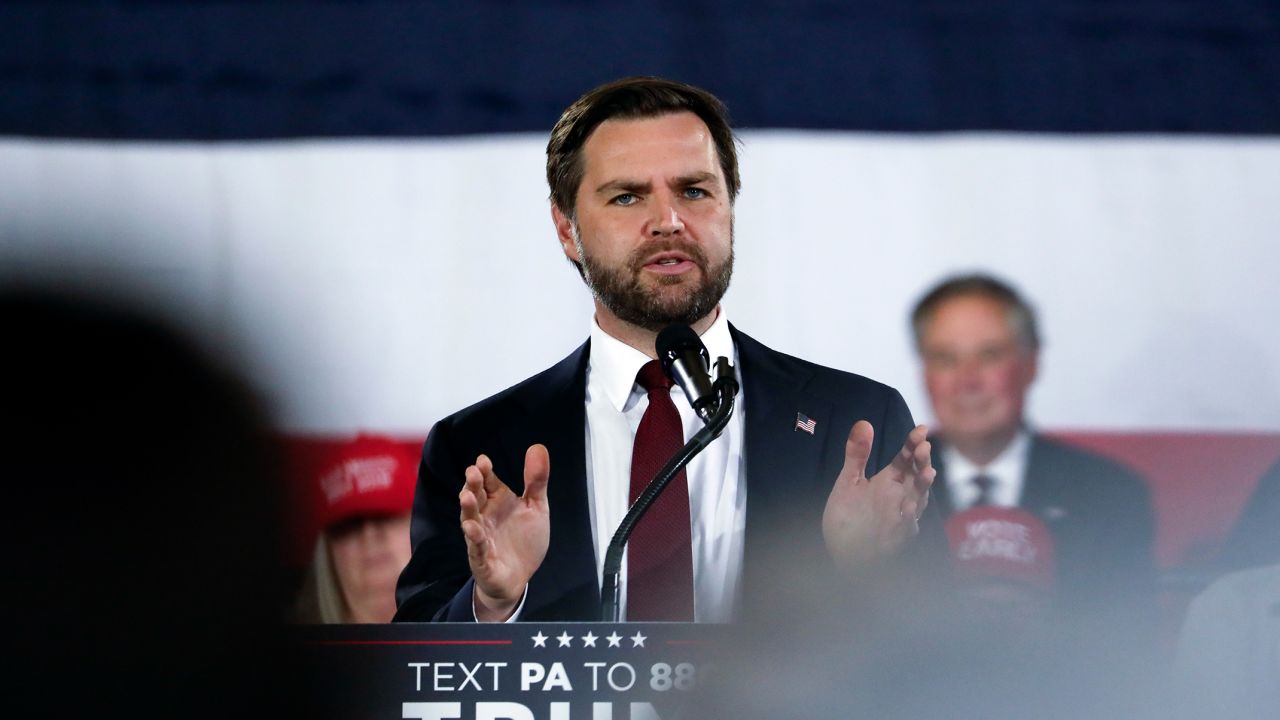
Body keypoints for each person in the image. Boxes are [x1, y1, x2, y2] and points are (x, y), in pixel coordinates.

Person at [394, 76, 937, 623]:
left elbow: (949, 668)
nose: (668, 222)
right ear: (566, 227)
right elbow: (414, 675)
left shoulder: (855, 424)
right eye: (627, 196)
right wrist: (493, 603)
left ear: (730, 207)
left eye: (694, 191)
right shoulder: (477, 447)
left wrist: (868, 574)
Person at [909, 273, 1155, 621]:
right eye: (947, 359)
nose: (968, 380)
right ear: (924, 373)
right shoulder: (890, 489)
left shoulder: (1111, 494)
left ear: (1030, 365)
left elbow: (1129, 652)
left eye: (990, 355)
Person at [294, 434, 416, 624]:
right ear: (327, 554)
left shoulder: (465, 638)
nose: (369, 535)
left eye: (386, 516)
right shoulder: (288, 650)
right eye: (350, 525)